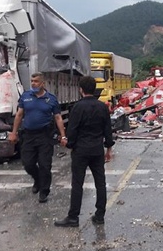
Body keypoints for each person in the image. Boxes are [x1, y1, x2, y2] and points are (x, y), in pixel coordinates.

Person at [55, 76, 114, 227]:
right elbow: (108, 130)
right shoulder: (102, 107)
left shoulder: (77, 107)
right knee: (100, 183)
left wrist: (69, 144)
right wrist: (108, 148)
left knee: (77, 184)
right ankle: (99, 215)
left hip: (80, 150)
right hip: (97, 150)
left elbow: (72, 130)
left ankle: (73, 217)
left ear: (81, 89)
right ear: (94, 89)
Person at [8, 73, 67, 203]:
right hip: (28, 135)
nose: (33, 83)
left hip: (45, 136)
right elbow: (19, 115)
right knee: (28, 163)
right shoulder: (25, 97)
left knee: (45, 165)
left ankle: (44, 191)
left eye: (36, 81)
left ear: (42, 83)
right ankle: (37, 179)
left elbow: (58, 117)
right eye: (32, 81)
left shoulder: (51, 99)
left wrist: (63, 136)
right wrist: (14, 132)